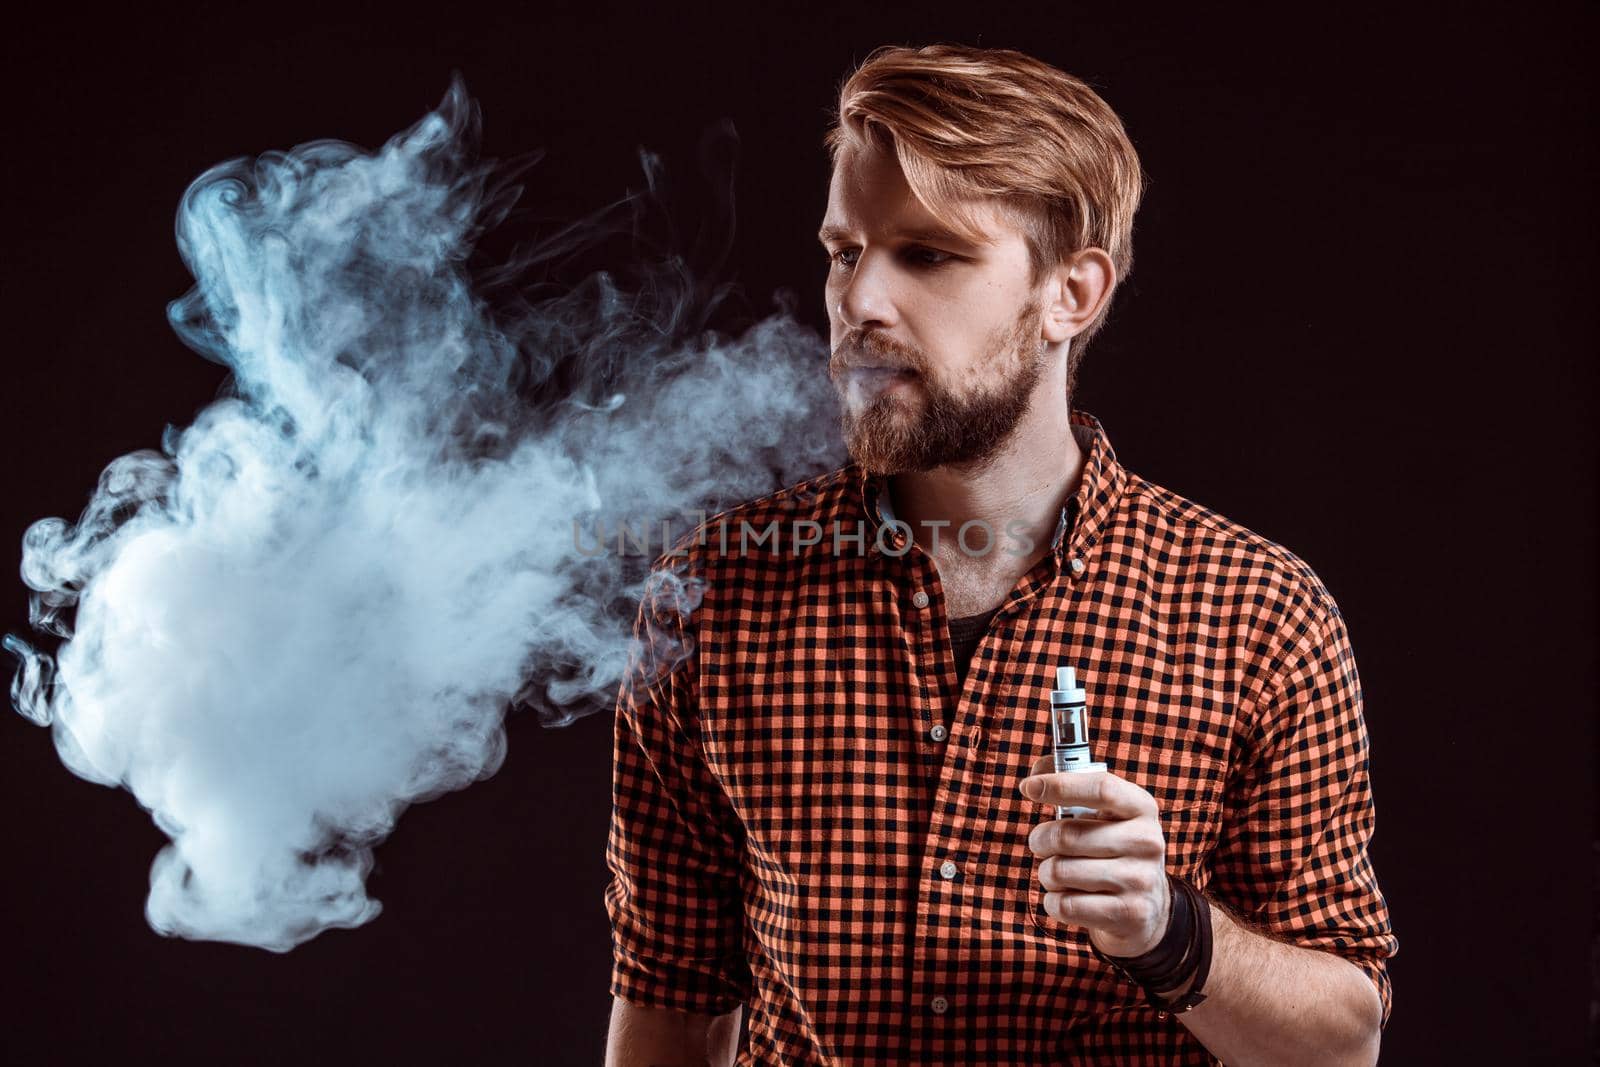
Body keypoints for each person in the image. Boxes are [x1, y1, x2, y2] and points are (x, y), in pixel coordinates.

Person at [603, 42, 1396, 1066]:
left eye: (927, 254)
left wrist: (1166, 929)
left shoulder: (1257, 615)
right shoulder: (711, 594)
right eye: (846, 252)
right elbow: (667, 1003)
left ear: (1071, 293)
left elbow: (1344, 1043)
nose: (860, 304)